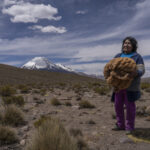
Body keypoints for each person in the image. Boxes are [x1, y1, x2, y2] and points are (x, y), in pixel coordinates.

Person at [111, 36, 145, 134]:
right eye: (125, 43)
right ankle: (120, 124)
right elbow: (111, 66)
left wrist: (136, 73)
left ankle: (130, 126)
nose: (126, 45)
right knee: (118, 105)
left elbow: (141, 70)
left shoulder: (137, 57)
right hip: (118, 86)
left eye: (129, 43)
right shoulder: (118, 55)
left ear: (133, 45)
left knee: (130, 106)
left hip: (130, 86)